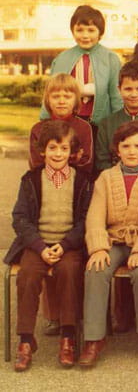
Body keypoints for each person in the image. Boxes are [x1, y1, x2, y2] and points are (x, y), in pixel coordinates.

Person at [80, 120, 138, 367]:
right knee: (96, 270)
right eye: (126, 146)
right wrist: (98, 247)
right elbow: (95, 216)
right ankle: (94, 338)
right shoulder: (105, 178)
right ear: (117, 149)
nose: (131, 151)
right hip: (114, 239)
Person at [5, 121, 92, 371]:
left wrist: (64, 245)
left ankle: (68, 337)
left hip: (69, 245)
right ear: (42, 150)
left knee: (69, 272)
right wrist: (40, 246)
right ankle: (25, 340)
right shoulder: (31, 180)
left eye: (64, 148)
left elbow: (86, 220)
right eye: (52, 148)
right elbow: (20, 218)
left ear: (72, 152)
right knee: (28, 276)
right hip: (38, 244)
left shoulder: (82, 181)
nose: (58, 154)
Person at [42, 5, 122, 124]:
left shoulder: (110, 58)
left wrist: (120, 123)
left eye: (91, 30)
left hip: (102, 123)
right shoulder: (62, 58)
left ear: (100, 32)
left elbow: (116, 95)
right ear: (73, 31)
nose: (85, 36)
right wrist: (45, 119)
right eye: (79, 30)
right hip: (67, 122)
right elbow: (50, 92)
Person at [31, 73, 93, 174]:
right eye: (55, 97)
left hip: (77, 180)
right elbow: (36, 163)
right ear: (48, 99)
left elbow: (85, 162)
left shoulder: (84, 128)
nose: (61, 101)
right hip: (44, 179)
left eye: (67, 97)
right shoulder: (37, 129)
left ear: (76, 100)